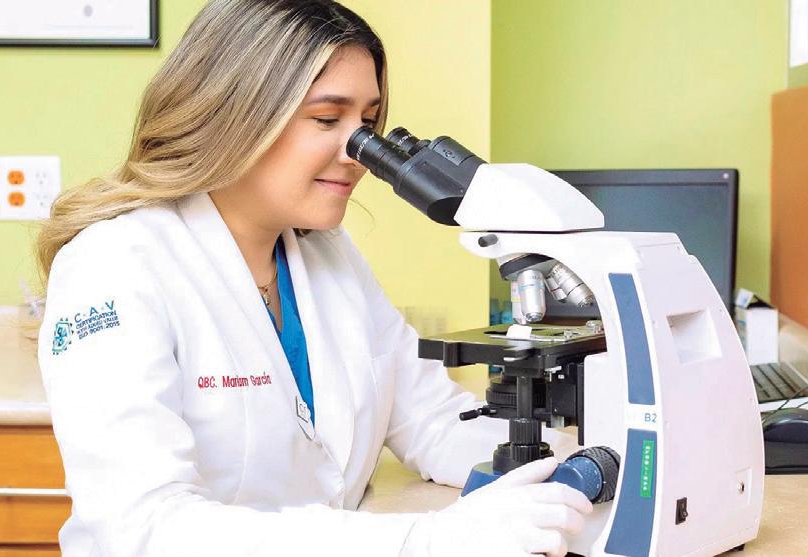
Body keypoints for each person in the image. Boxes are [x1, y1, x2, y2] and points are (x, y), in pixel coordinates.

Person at [36, 1, 591, 555]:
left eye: (367, 124)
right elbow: (145, 527)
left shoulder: (327, 253)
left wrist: (588, 457)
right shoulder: (114, 264)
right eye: (327, 120)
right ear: (234, 115)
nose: (359, 154)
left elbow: (433, 423)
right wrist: (422, 540)